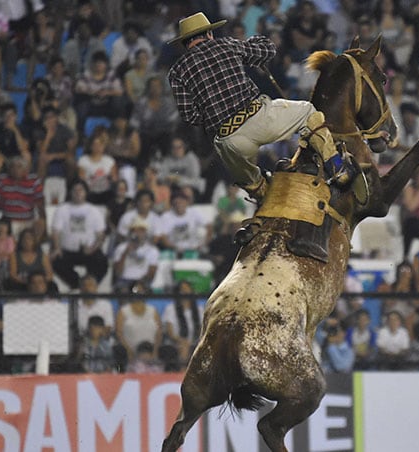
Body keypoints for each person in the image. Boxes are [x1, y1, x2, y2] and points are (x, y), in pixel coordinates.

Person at [167, 12, 353, 202]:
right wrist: (257, 37)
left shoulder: (176, 72)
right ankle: (337, 167)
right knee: (307, 111)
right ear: (208, 34)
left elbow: (189, 115)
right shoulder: (224, 45)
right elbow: (267, 51)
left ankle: (266, 200)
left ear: (185, 43)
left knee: (252, 182)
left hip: (229, 141)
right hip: (259, 118)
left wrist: (213, 116)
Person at [50, 180, 108, 289]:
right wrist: (57, 248)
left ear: (86, 192)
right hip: (68, 251)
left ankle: (91, 285)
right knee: (56, 262)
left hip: (89, 250)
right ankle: (78, 285)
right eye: (75, 190)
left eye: (80, 190)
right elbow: (55, 232)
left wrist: (92, 248)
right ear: (70, 192)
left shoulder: (94, 210)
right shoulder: (62, 209)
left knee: (102, 262)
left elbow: (101, 236)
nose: (78, 193)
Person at [0, 156, 46, 238]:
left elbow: (41, 205)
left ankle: (34, 249)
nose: (15, 169)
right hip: (8, 222)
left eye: (19, 167)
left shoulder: (34, 181)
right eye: (13, 166)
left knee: (40, 224)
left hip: (28, 221)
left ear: (26, 169)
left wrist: (43, 221)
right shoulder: (2, 180)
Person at [161, 280, 204, 366]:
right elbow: (170, 332)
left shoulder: (199, 309)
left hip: (194, 341)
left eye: (187, 289)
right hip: (176, 343)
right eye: (183, 289)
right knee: (184, 347)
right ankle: (182, 371)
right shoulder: (171, 309)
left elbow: (202, 329)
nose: (185, 291)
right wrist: (182, 341)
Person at [112, 217, 160, 293]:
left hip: (142, 281)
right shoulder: (121, 248)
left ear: (145, 232)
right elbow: (118, 272)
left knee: (141, 290)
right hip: (124, 281)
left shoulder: (152, 250)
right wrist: (125, 253)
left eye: (141, 230)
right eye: (135, 230)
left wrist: (139, 283)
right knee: (122, 290)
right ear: (131, 232)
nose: (138, 233)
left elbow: (151, 274)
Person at [157, 191, 211, 257]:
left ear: (187, 202)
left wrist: (204, 243)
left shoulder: (194, 212)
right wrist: (174, 248)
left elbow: (209, 226)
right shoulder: (165, 216)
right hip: (174, 250)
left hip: (195, 248)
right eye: (175, 203)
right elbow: (163, 237)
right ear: (172, 205)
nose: (178, 205)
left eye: (181, 202)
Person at [115, 296, 162, 364]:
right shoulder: (123, 311)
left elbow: (159, 333)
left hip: (151, 352)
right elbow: (119, 333)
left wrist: (155, 351)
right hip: (130, 354)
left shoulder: (153, 310)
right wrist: (128, 351)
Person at [77, 127, 117, 205]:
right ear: (91, 146)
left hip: (106, 192)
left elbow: (114, 179)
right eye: (95, 144)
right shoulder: (83, 160)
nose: (97, 147)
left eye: (100, 145)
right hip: (90, 192)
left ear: (103, 146)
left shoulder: (110, 161)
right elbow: (81, 179)